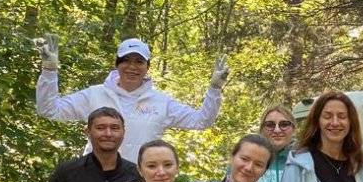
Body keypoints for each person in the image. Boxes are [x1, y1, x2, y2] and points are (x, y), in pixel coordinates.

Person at [35, 35, 228, 162]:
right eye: (126, 60)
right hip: (95, 179)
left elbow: (201, 120)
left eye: (139, 61)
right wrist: (49, 71)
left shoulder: (161, 103)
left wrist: (214, 88)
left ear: (147, 67)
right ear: (116, 64)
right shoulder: (94, 94)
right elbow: (49, 109)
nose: (132, 67)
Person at [257, 104, 296, 182]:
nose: (277, 130)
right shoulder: (247, 159)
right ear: (261, 129)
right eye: (270, 125)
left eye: (284, 124)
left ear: (294, 129)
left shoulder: (305, 160)